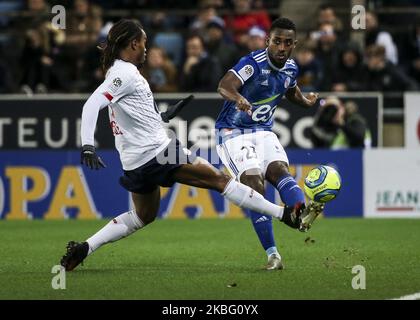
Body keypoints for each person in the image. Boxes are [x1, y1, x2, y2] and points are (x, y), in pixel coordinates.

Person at [60, 19, 307, 272]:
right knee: (221, 181)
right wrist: (88, 145)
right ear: (133, 44)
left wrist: (162, 117)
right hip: (159, 152)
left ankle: (86, 247)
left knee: (142, 216)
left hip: (133, 162)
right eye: (144, 43)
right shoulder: (125, 73)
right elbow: (91, 104)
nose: (146, 49)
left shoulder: (117, 71)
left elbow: (129, 115)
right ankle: (283, 214)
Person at [215, 17, 324, 271]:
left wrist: (305, 102)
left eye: (288, 43)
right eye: (277, 41)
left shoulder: (291, 68)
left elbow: (290, 89)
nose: (282, 47)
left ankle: (300, 213)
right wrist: (238, 96)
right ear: (268, 41)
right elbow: (224, 85)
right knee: (254, 183)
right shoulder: (252, 63)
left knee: (279, 171)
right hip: (233, 132)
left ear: (294, 44)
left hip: (263, 131)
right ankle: (273, 255)